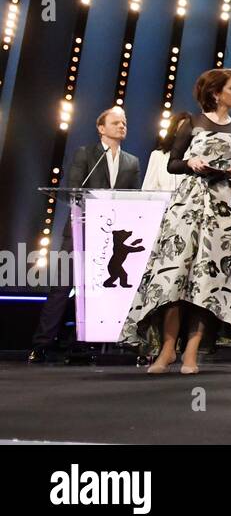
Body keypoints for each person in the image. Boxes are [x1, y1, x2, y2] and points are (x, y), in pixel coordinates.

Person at [119, 70, 231, 374]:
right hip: (189, 203)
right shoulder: (192, 123)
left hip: (223, 208)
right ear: (216, 93)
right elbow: (173, 162)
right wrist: (191, 162)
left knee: (207, 281)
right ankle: (166, 350)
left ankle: (191, 352)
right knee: (174, 277)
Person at [28, 107, 141, 363]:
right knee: (61, 288)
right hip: (81, 230)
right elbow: (74, 190)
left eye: (124, 122)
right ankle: (42, 344)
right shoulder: (85, 153)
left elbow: (132, 197)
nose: (121, 126)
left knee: (98, 290)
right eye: (115, 123)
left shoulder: (132, 161)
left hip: (110, 235)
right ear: (101, 128)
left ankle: (85, 342)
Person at [141, 113, 184, 193]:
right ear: (174, 131)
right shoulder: (158, 155)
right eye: (183, 128)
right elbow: (148, 189)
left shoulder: (195, 157)